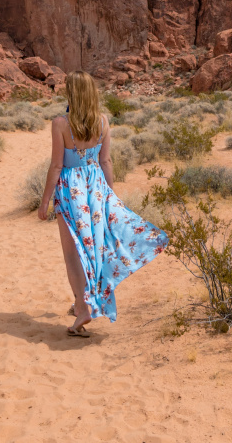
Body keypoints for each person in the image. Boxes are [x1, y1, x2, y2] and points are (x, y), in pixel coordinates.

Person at [38, 71, 168, 337]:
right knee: (95, 249)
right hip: (96, 190)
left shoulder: (60, 124)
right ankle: (83, 303)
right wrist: (111, 197)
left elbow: (56, 165)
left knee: (73, 253)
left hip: (71, 193)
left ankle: (83, 307)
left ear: (72, 94)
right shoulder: (103, 122)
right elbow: (106, 162)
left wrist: (44, 203)